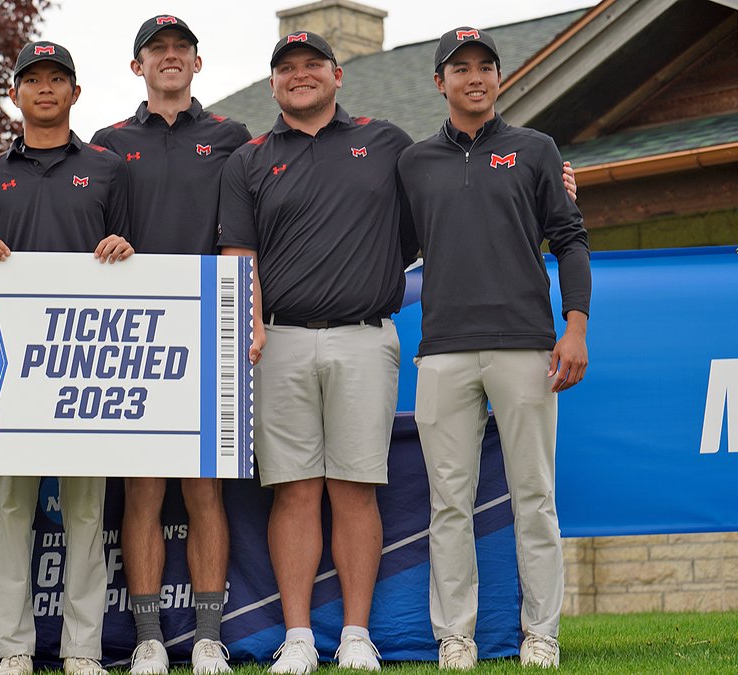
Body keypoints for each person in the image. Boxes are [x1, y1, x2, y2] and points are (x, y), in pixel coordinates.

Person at [216, 31, 413, 673]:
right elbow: (239, 255)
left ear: (337, 75)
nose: (299, 76)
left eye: (312, 66)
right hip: (279, 340)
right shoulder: (248, 159)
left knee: (356, 487)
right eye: (287, 69)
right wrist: (248, 324)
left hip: (365, 334)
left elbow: (441, 203)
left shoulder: (385, 142)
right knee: (295, 490)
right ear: (273, 84)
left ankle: (356, 635)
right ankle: (298, 637)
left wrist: (556, 180)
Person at [396, 26, 591, 670]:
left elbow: (570, 239)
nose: (474, 77)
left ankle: (542, 635)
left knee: (534, 496)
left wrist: (576, 327)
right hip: (444, 349)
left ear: (499, 78)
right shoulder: (414, 161)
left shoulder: (536, 150)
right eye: (460, 68)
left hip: (525, 346)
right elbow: (388, 247)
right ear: (440, 82)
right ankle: (456, 637)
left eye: (485, 66)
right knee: (449, 501)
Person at [88, 15, 250, 675]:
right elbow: (89, 231)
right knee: (142, 491)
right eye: (157, 50)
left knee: (205, 488)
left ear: (197, 63)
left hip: (208, 329)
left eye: (181, 49)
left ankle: (208, 635)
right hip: (133, 337)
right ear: (138, 68)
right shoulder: (106, 143)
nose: (170, 58)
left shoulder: (232, 138)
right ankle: (150, 638)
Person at [0, 41, 133, 675]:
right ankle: (12, 649)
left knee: (87, 512)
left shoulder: (108, 168)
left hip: (84, 368)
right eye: (31, 80)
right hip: (10, 370)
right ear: (14, 94)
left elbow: (131, 257)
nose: (44, 89)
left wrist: (125, 246)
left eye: (56, 79)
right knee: (10, 511)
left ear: (76, 92)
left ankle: (82, 650)